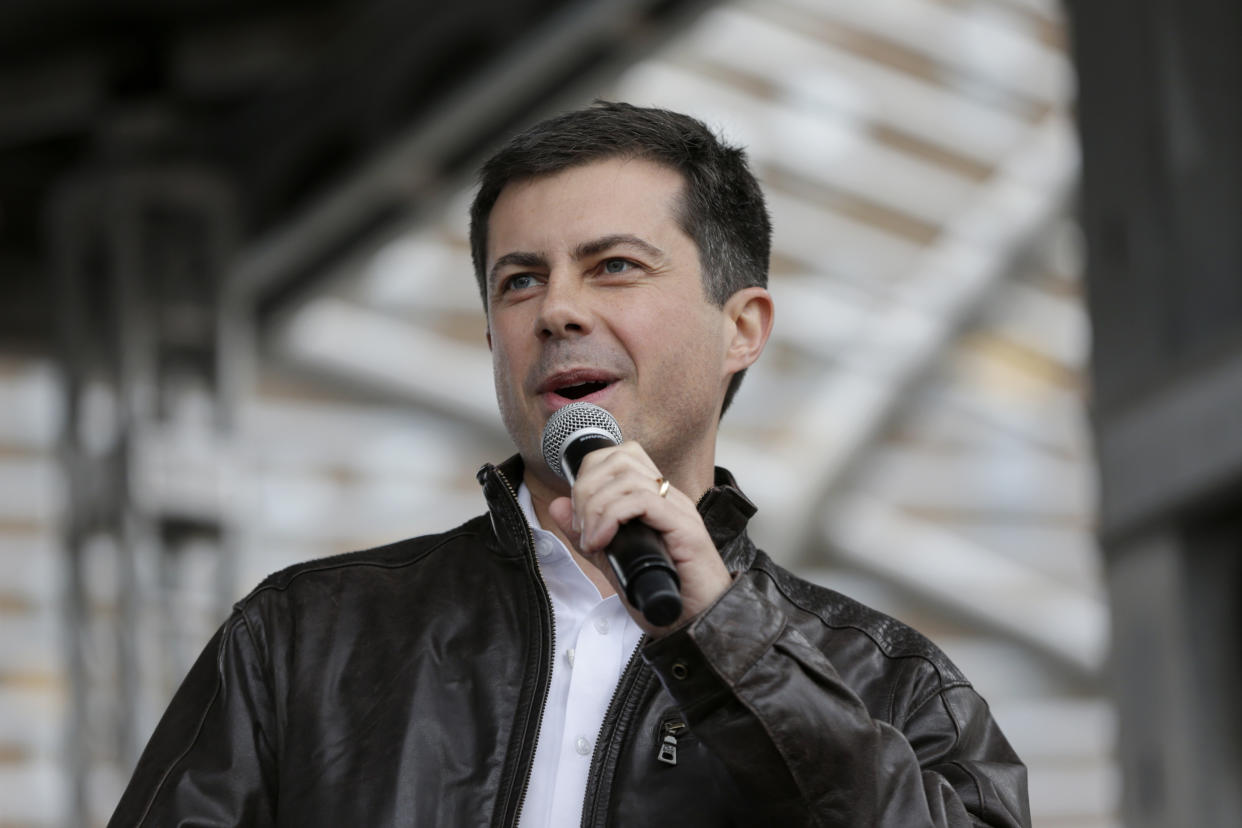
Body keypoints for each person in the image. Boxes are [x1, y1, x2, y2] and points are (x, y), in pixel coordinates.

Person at [108, 101, 1030, 827]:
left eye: (615, 267)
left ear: (741, 328)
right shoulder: (303, 639)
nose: (556, 311)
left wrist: (733, 643)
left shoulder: (898, 686)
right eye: (520, 280)